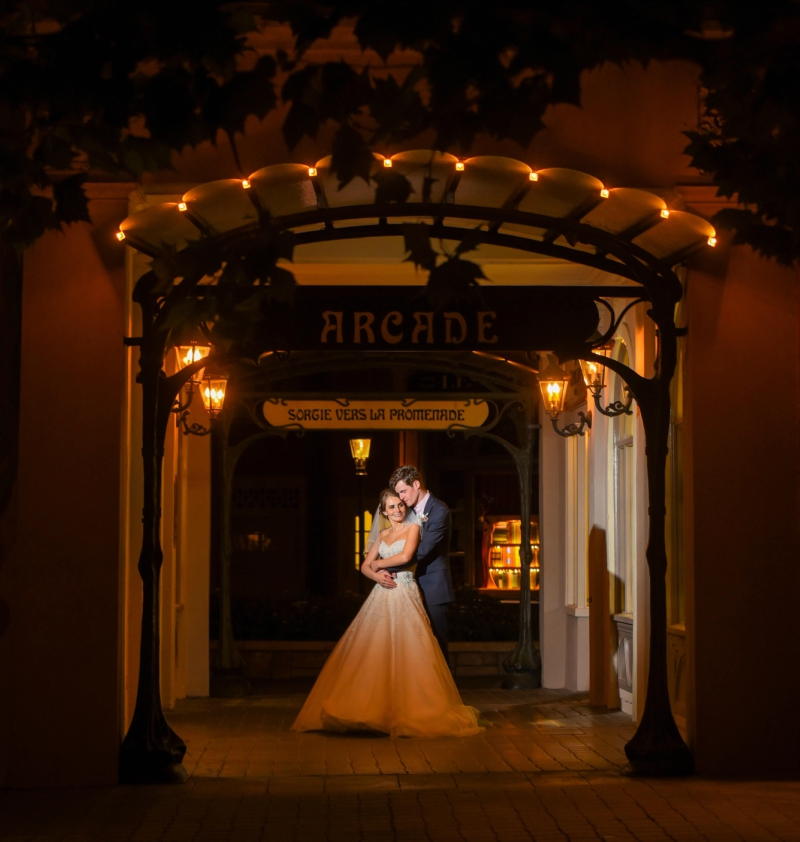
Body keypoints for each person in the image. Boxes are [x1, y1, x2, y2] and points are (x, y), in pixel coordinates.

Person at [290, 488, 480, 738]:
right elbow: (363, 566)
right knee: (373, 651)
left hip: (404, 590)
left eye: (400, 505)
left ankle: (411, 710)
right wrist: (376, 575)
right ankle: (370, 709)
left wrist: (378, 564)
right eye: (391, 507)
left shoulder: (414, 529)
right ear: (383, 511)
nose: (398, 510)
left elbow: (406, 555)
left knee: (410, 651)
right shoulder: (381, 535)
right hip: (382, 593)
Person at [378, 465, 454, 661]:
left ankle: (443, 692)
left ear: (417, 484)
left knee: (437, 645)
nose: (401, 498)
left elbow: (422, 551)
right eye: (399, 493)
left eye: (403, 491)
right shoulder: (405, 511)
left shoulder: (439, 510)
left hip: (433, 586)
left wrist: (386, 566)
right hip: (406, 587)